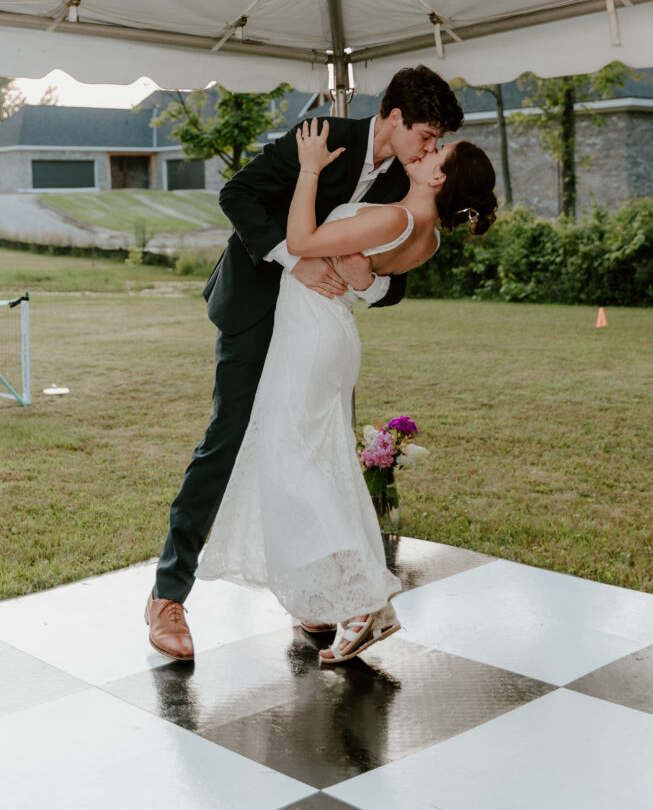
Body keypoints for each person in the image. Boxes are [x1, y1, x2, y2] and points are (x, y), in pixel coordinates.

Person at [145, 65, 465, 661]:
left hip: (319, 329)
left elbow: (395, 275)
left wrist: (366, 282)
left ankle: (319, 597)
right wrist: (296, 262)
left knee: (314, 453)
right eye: (427, 133)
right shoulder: (322, 135)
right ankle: (168, 595)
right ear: (394, 118)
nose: (431, 148)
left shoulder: (411, 179)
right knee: (229, 439)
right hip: (257, 311)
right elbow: (236, 193)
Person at [195, 119, 497, 665]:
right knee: (315, 460)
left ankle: (362, 598)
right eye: (431, 141)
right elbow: (371, 280)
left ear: (439, 178)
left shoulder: (396, 215)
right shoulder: (423, 235)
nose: (428, 151)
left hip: (311, 337)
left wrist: (309, 169)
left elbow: (302, 243)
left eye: (438, 152)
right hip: (326, 335)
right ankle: (344, 593)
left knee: (295, 462)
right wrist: (368, 279)